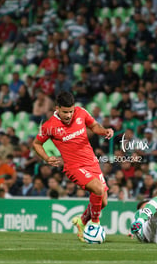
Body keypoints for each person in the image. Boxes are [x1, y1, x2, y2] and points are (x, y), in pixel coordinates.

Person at [32, 91, 114, 242]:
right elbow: (36, 144)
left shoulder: (81, 113)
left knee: (103, 202)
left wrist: (104, 131)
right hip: (74, 167)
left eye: (70, 111)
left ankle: (82, 221)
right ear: (57, 108)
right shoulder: (49, 126)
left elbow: (94, 125)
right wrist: (46, 158)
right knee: (98, 189)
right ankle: (95, 225)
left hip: (92, 162)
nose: (69, 115)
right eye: (65, 112)